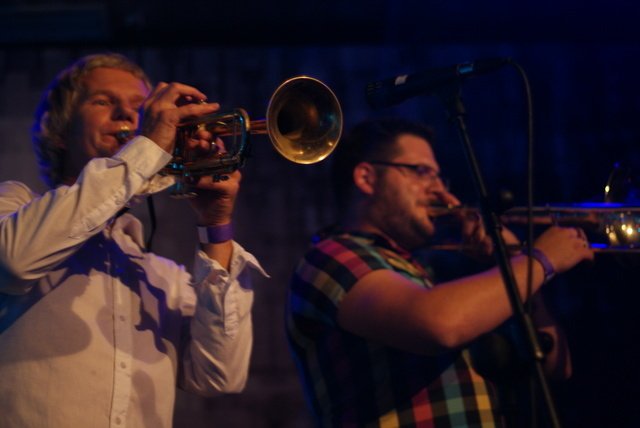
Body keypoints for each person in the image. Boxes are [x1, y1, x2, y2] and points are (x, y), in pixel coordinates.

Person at [0, 53, 266, 427]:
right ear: (59, 131)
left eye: (140, 107)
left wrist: (215, 225)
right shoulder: (13, 208)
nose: (126, 114)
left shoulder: (162, 276)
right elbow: (14, 261)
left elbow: (219, 375)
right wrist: (148, 145)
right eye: (103, 101)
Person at [285, 117, 593, 427]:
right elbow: (439, 325)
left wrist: (510, 259)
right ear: (367, 178)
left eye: (439, 177)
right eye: (422, 172)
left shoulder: (418, 273)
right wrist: (539, 260)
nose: (439, 190)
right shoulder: (330, 257)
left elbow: (556, 365)